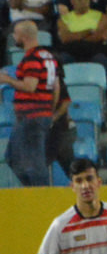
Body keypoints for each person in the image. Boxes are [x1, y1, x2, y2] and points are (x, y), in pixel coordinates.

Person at [1, 18, 59, 185]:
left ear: (24, 36)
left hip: (31, 116)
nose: (13, 37)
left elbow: (29, 86)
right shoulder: (48, 56)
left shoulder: (31, 58)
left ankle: (41, 198)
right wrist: (50, 111)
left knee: (35, 163)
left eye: (16, 33)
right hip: (37, 115)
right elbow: (56, 87)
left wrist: (7, 80)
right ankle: (31, 191)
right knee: (12, 157)